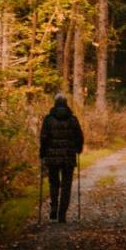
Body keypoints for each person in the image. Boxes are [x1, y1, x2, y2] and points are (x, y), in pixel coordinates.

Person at [39, 94, 85, 222]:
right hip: (68, 157)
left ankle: (54, 207)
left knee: (54, 183)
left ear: (55, 103)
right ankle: (62, 213)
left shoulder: (48, 119)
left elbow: (43, 138)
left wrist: (42, 153)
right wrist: (78, 149)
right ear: (66, 103)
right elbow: (79, 137)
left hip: (52, 157)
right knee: (66, 185)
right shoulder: (73, 119)